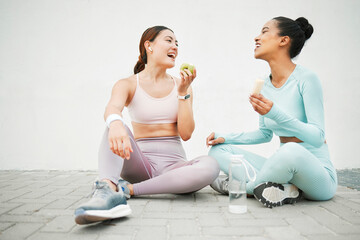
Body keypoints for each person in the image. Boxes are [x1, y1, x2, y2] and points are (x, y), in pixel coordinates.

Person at [75, 26, 220, 224]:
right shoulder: (128, 83)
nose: (175, 47)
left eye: (177, 43)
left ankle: (127, 190)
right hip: (139, 166)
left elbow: (186, 134)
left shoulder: (183, 86)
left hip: (174, 167)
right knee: (114, 124)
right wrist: (116, 123)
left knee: (211, 165)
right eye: (169, 41)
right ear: (148, 46)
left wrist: (183, 92)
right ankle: (107, 190)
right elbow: (112, 107)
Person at [206, 17, 337, 208]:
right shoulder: (264, 85)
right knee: (218, 151)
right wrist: (225, 137)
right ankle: (282, 187)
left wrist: (275, 112)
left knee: (291, 150)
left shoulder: (307, 79)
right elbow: (265, 134)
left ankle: (241, 188)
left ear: (283, 40)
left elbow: (318, 137)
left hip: (318, 175)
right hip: (284, 164)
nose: (256, 38)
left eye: (264, 31)